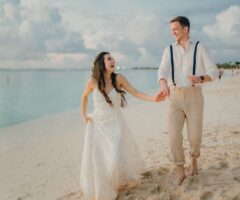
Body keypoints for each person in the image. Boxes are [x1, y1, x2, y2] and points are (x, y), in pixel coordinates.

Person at [80, 51, 165, 200]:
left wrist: (154, 99)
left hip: (115, 123)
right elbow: (84, 97)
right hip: (98, 124)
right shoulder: (93, 81)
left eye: (113, 58)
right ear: (101, 63)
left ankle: (114, 182)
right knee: (101, 159)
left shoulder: (119, 79)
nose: (113, 60)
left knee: (115, 156)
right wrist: (84, 115)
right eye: (109, 59)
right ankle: (106, 186)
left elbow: (136, 93)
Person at [158, 16, 218, 185]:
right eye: (171, 30)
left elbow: (213, 71)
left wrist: (201, 77)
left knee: (195, 136)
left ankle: (194, 161)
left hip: (195, 95)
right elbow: (162, 71)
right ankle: (180, 171)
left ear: (186, 29)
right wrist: (163, 83)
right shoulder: (168, 49)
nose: (173, 33)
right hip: (174, 96)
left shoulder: (200, 47)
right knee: (173, 135)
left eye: (176, 29)